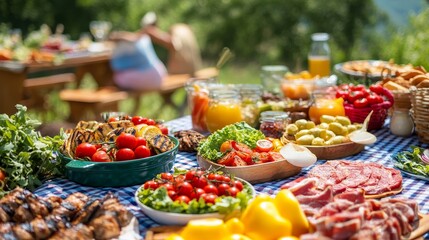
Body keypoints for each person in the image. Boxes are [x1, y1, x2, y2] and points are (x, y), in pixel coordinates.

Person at [141, 12, 203, 76]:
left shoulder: (175, 31)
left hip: (181, 74)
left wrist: (148, 31)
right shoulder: (184, 29)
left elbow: (173, 43)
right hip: (194, 71)